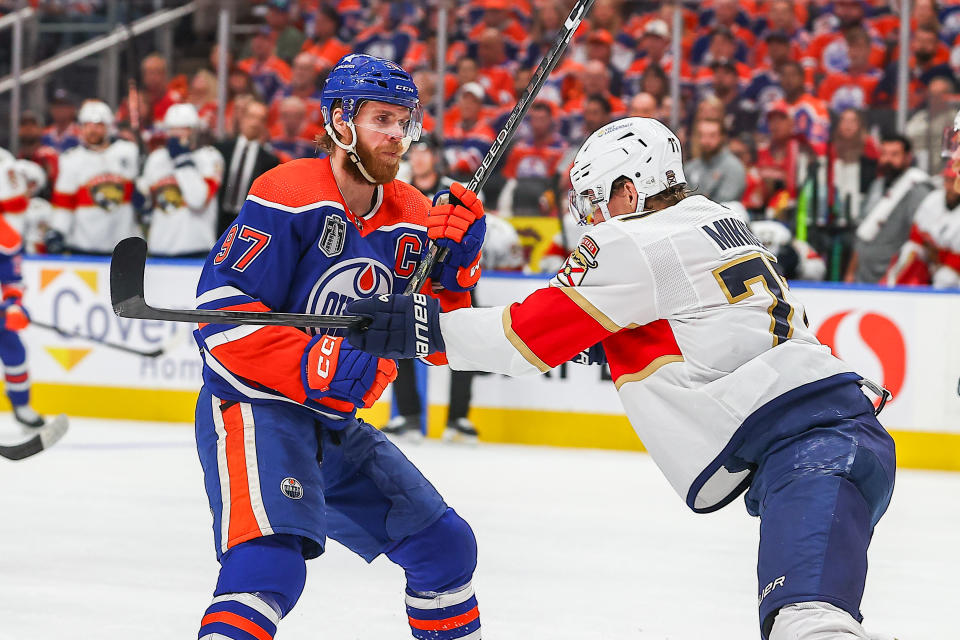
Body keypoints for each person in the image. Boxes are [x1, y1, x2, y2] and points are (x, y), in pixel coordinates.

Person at [346, 117, 897, 640]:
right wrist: (600, 346)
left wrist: (422, 327)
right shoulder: (713, 217)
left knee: (808, 624)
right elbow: (691, 323)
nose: (588, 216)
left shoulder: (630, 242)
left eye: (594, 199)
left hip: (815, 451)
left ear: (629, 192)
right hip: (831, 439)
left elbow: (524, 337)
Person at [192, 54, 484, 640]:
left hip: (335, 424)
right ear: (340, 121)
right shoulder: (288, 192)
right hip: (257, 409)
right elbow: (219, 320)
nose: (397, 136)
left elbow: (438, 341)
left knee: (445, 551)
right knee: (269, 566)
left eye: (404, 121)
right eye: (382, 119)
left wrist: (460, 267)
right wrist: (314, 361)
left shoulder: (413, 216)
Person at [383, 134, 482, 443]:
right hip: (414, 277)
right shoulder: (399, 189)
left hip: (451, 281)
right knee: (400, 339)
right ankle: (408, 415)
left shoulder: (455, 191)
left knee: (462, 343)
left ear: (437, 157)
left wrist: (457, 271)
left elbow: (474, 238)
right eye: (416, 152)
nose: (420, 158)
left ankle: (458, 417)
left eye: (426, 152)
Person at [47, 100, 140, 255]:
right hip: (83, 244)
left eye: (98, 125)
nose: (92, 130)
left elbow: (140, 190)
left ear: (109, 127)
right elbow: (64, 204)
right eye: (87, 125)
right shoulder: (71, 159)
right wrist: (58, 231)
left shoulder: (128, 152)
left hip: (122, 245)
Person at [884, 109, 960, 288]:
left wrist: (938, 255)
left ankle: (941, 312)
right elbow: (916, 235)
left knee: (945, 277)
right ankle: (894, 291)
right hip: (933, 259)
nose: (950, 186)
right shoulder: (934, 199)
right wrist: (931, 251)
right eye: (948, 180)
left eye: (954, 180)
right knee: (910, 250)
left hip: (953, 271)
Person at [140, 104, 225, 258]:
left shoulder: (210, 157)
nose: (177, 134)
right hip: (159, 248)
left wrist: (183, 162)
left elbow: (198, 200)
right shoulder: (157, 158)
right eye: (172, 129)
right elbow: (146, 203)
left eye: (184, 128)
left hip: (196, 248)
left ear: (195, 130)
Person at [846, 135, 933, 283]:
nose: (887, 160)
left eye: (894, 155)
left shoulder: (917, 189)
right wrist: (850, 272)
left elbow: (919, 241)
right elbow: (863, 232)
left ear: (908, 157)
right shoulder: (877, 186)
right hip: (863, 276)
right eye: (884, 154)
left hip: (894, 280)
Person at [0, 149, 46, 428]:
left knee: (14, 348)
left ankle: (21, 405)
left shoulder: (6, 233)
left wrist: (14, 303)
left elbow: (12, 279)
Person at [214, 101, 279, 237]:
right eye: (251, 116)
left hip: (247, 221)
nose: (254, 123)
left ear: (265, 124)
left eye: (260, 119)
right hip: (218, 219)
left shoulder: (269, 160)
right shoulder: (221, 149)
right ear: (242, 118)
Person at [684, 118, 747, 203]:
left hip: (723, 214)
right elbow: (682, 200)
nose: (705, 141)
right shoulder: (690, 167)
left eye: (712, 135)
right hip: (691, 214)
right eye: (702, 135)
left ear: (723, 137)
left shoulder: (734, 167)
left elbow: (724, 202)